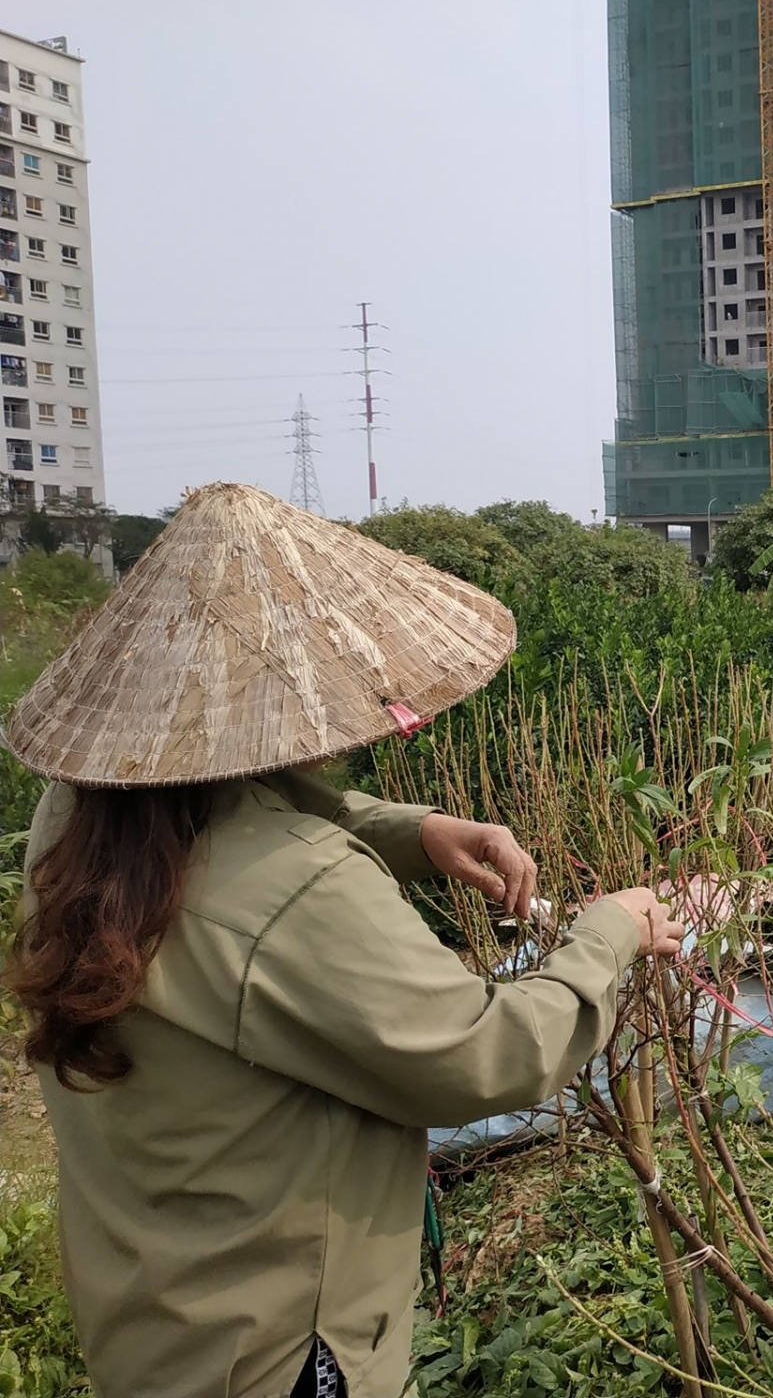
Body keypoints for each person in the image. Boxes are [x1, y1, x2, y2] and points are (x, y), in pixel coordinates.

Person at [1, 483, 683, 1398]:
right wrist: (613, 930)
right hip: (286, 1355)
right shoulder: (300, 888)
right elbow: (488, 1056)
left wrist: (416, 828)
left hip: (159, 1321)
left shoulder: (80, 819)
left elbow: (236, 808)